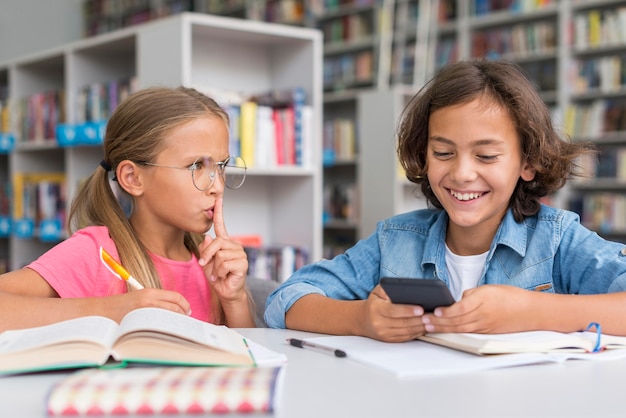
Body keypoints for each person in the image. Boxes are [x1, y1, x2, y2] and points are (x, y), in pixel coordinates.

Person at [265, 59, 626, 342]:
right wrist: (361, 319)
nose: (462, 173)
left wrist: (531, 311)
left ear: (527, 163)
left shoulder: (558, 240)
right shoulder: (396, 240)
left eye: (486, 157)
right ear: (424, 155)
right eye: (443, 152)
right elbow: (287, 299)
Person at [0, 86, 255, 331]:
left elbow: (252, 359)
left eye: (220, 166)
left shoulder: (211, 263)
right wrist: (109, 310)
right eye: (197, 166)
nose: (218, 186)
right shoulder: (96, 254)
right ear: (133, 178)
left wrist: (235, 299)